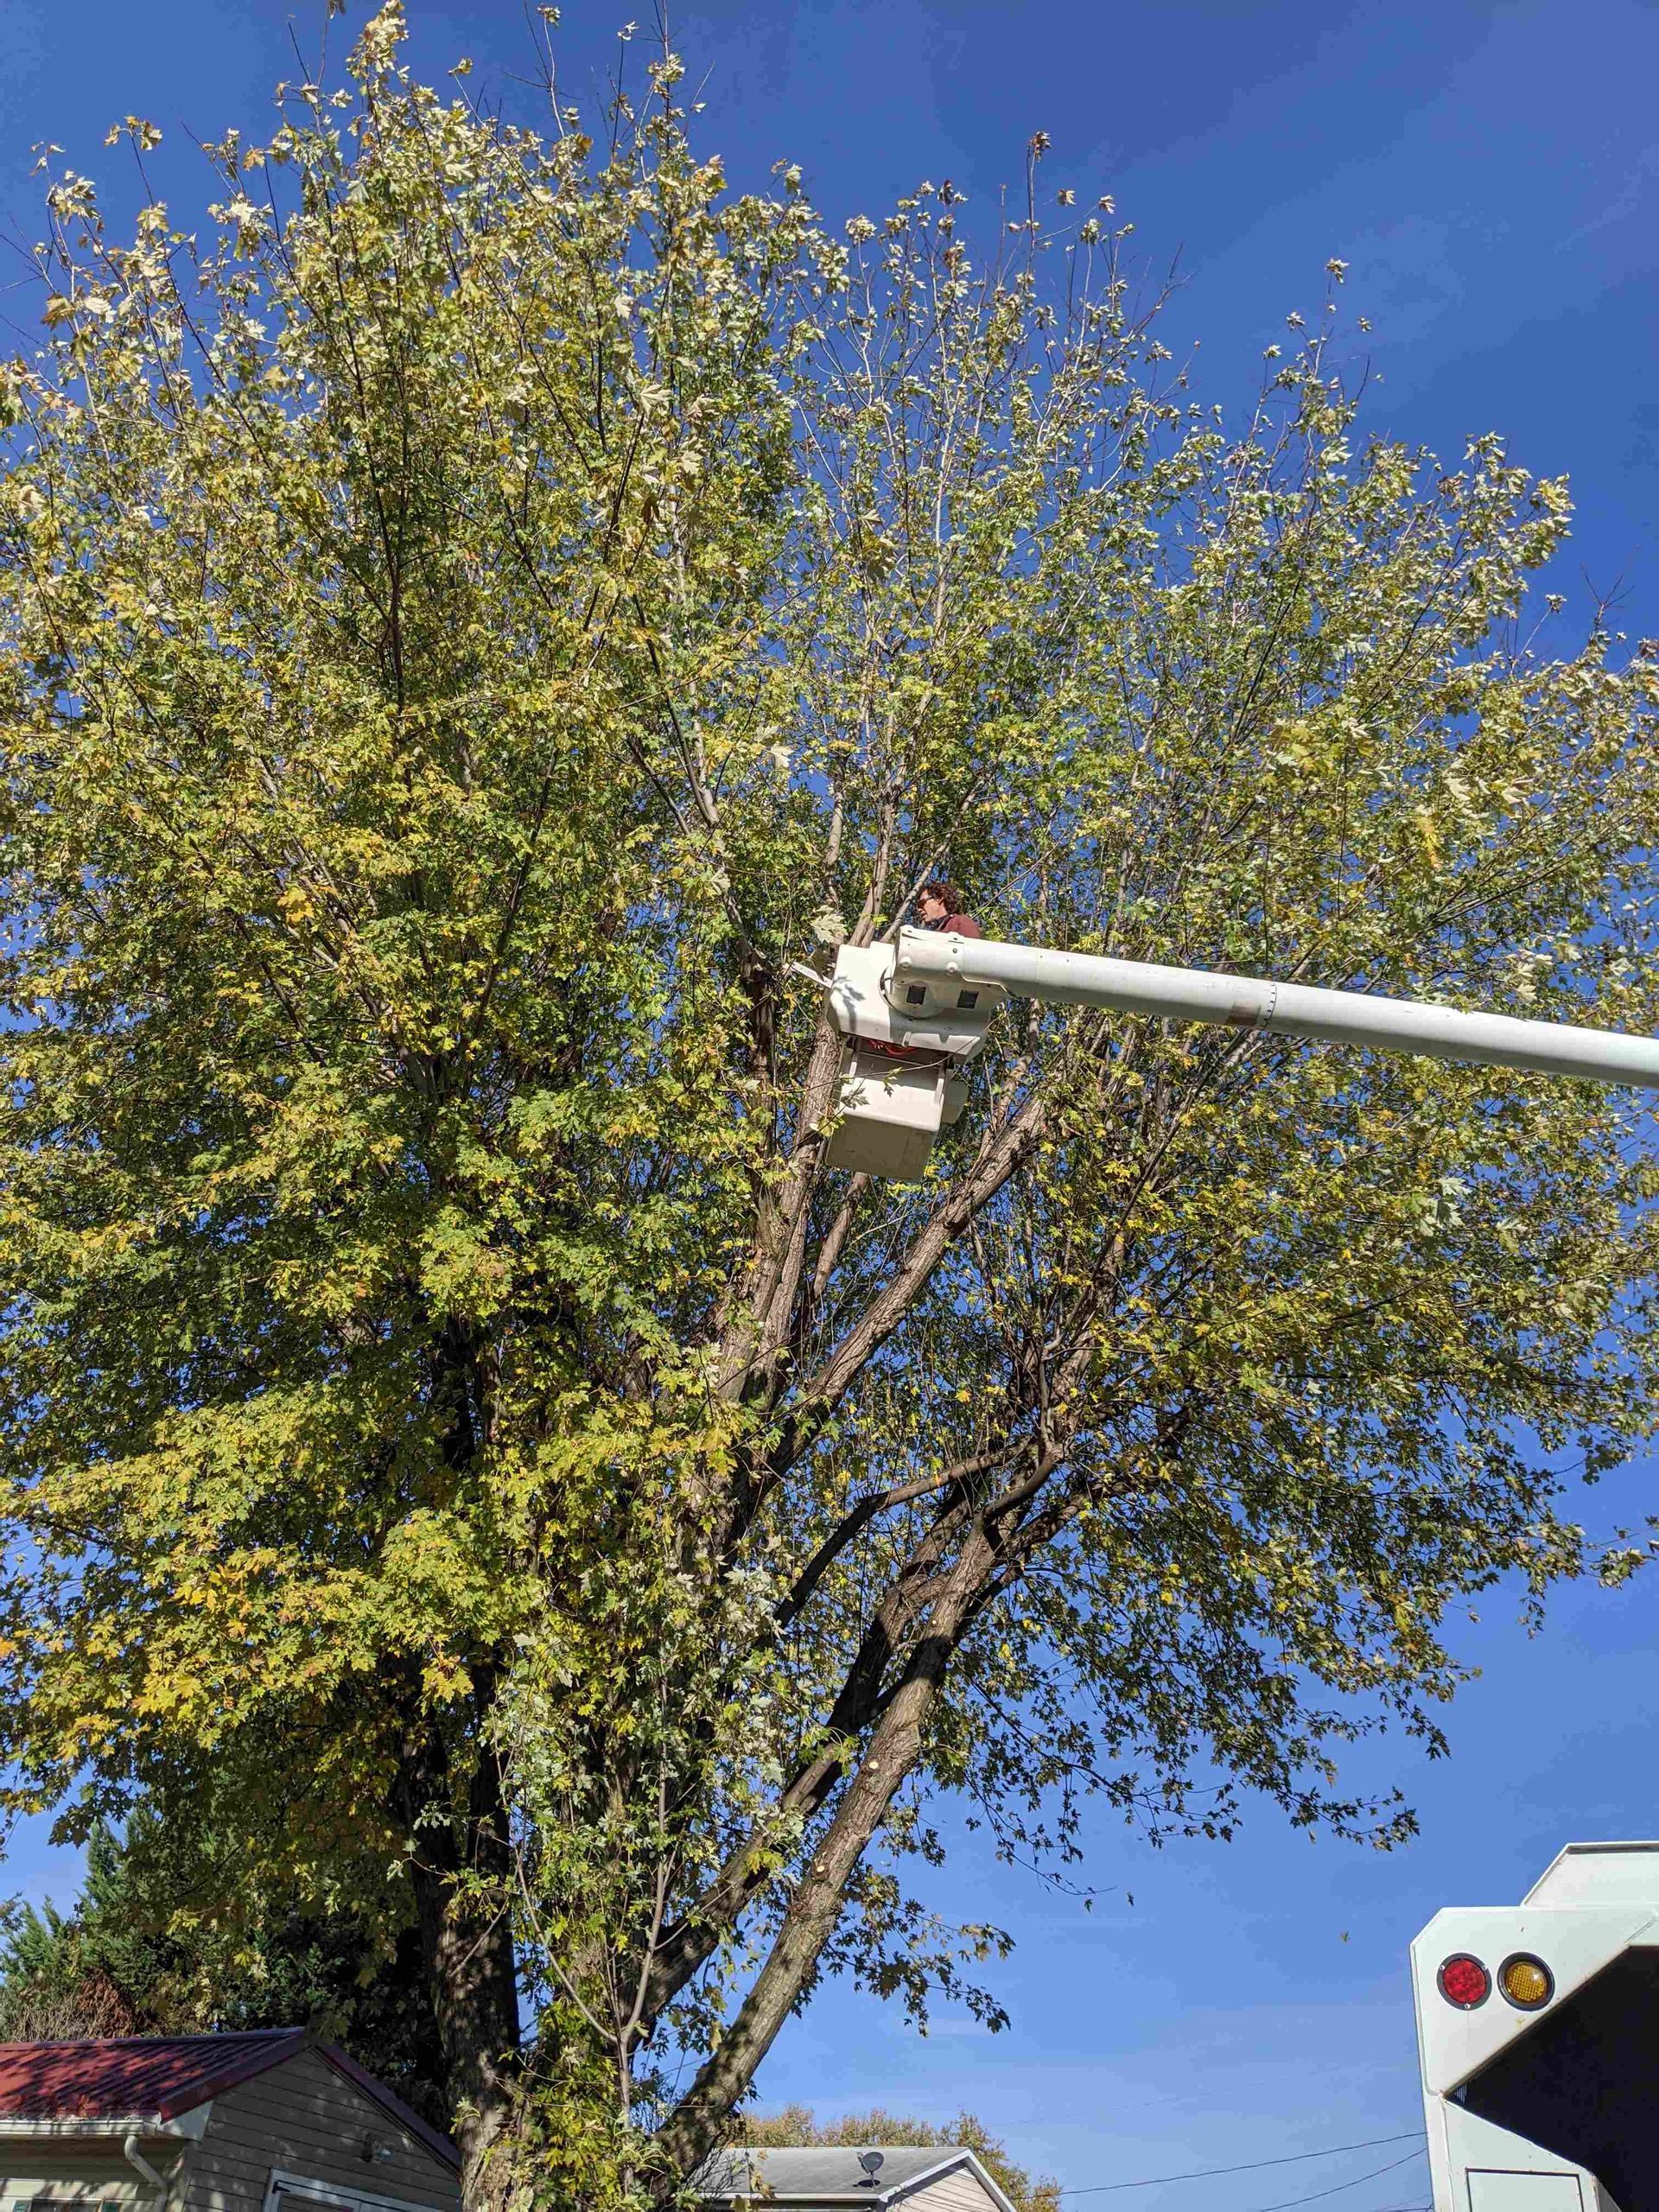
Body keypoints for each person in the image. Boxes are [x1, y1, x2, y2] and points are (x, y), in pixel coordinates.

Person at [915, 879, 983, 938]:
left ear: (939, 898)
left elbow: (973, 949)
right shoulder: (935, 931)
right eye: (918, 906)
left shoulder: (960, 922)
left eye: (921, 903)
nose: (919, 910)